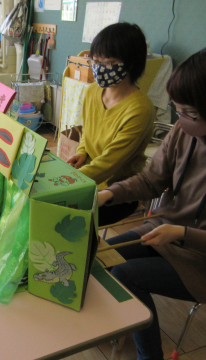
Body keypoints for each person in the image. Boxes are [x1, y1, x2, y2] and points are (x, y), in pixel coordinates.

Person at [98, 45, 206, 360]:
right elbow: (152, 180)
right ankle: (125, 325)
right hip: (168, 232)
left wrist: (181, 232)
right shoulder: (185, 131)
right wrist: (109, 194)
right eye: (176, 109)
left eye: (187, 112)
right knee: (104, 257)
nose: (178, 119)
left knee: (124, 275)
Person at [67, 22, 156, 226]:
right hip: (89, 176)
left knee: (67, 221)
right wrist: (82, 152)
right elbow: (87, 133)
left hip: (118, 191)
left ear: (130, 63)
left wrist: (68, 182)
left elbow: (109, 164)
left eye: (108, 62)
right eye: (95, 60)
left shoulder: (140, 109)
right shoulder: (92, 92)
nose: (98, 68)